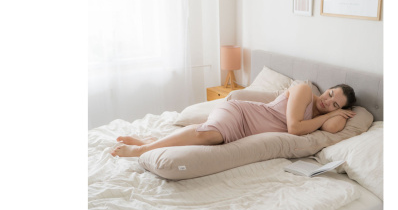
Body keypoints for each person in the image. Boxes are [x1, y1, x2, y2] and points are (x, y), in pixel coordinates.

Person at [111, 82, 356, 158]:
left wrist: (334, 116)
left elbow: (334, 127)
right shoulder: (304, 90)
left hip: (246, 132)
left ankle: (152, 141)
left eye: (335, 104)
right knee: (210, 135)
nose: (328, 101)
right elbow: (294, 128)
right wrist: (331, 113)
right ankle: (142, 150)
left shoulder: (319, 118)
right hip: (242, 113)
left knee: (209, 136)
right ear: (327, 88)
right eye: (330, 94)